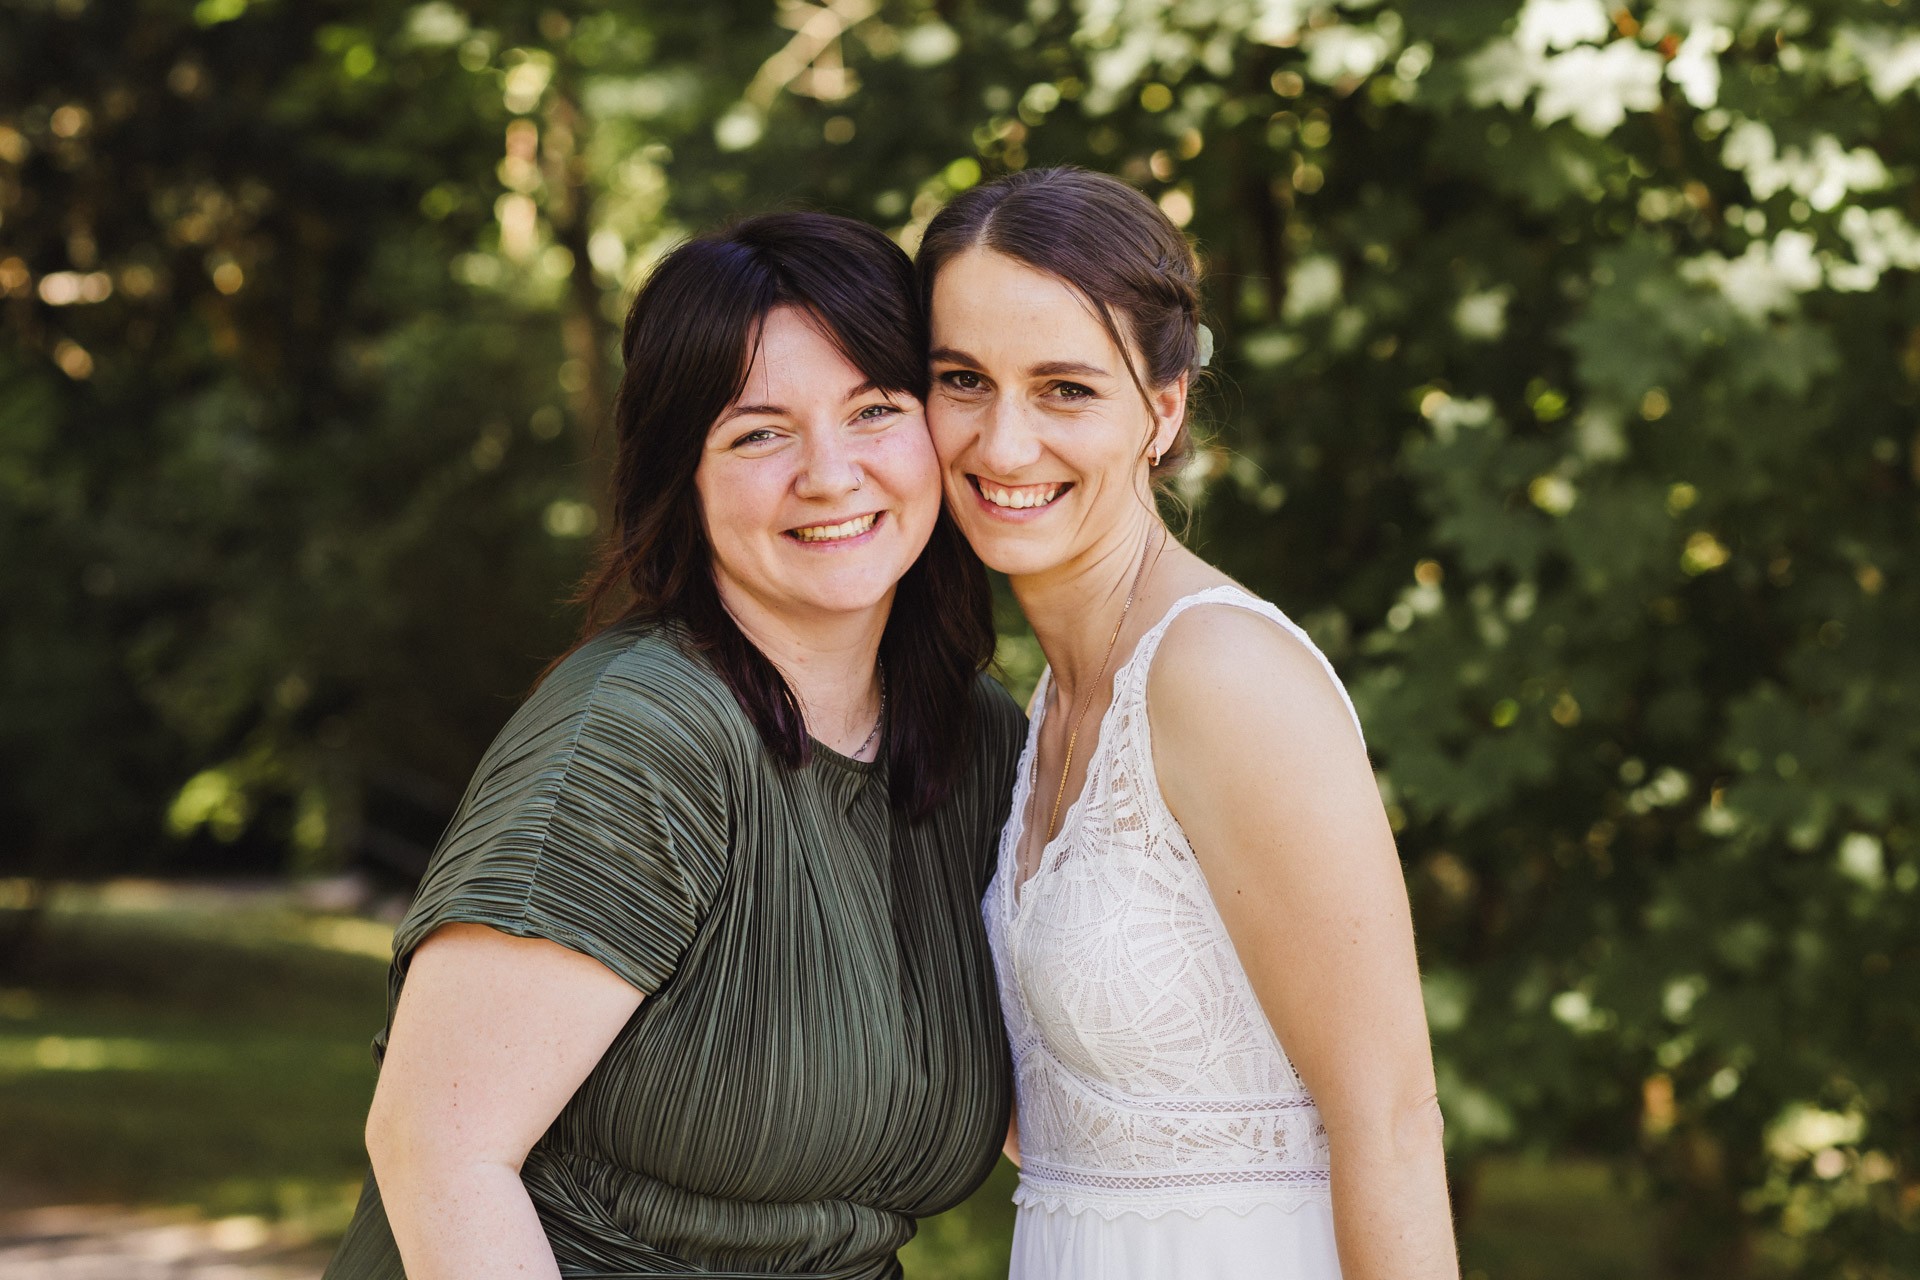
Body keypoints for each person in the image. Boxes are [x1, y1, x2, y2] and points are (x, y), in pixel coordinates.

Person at [322, 211, 1026, 1280]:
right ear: (681, 476)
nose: (830, 474)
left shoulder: (971, 740)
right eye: (758, 431)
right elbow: (439, 1151)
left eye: (874, 409)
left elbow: (1064, 1110)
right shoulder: (641, 738)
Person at [917, 167, 1457, 1279]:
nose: (1003, 444)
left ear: (1161, 412)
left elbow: (1392, 1119)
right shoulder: (1046, 705)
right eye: (962, 378)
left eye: (1064, 388)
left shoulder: (1221, 672)